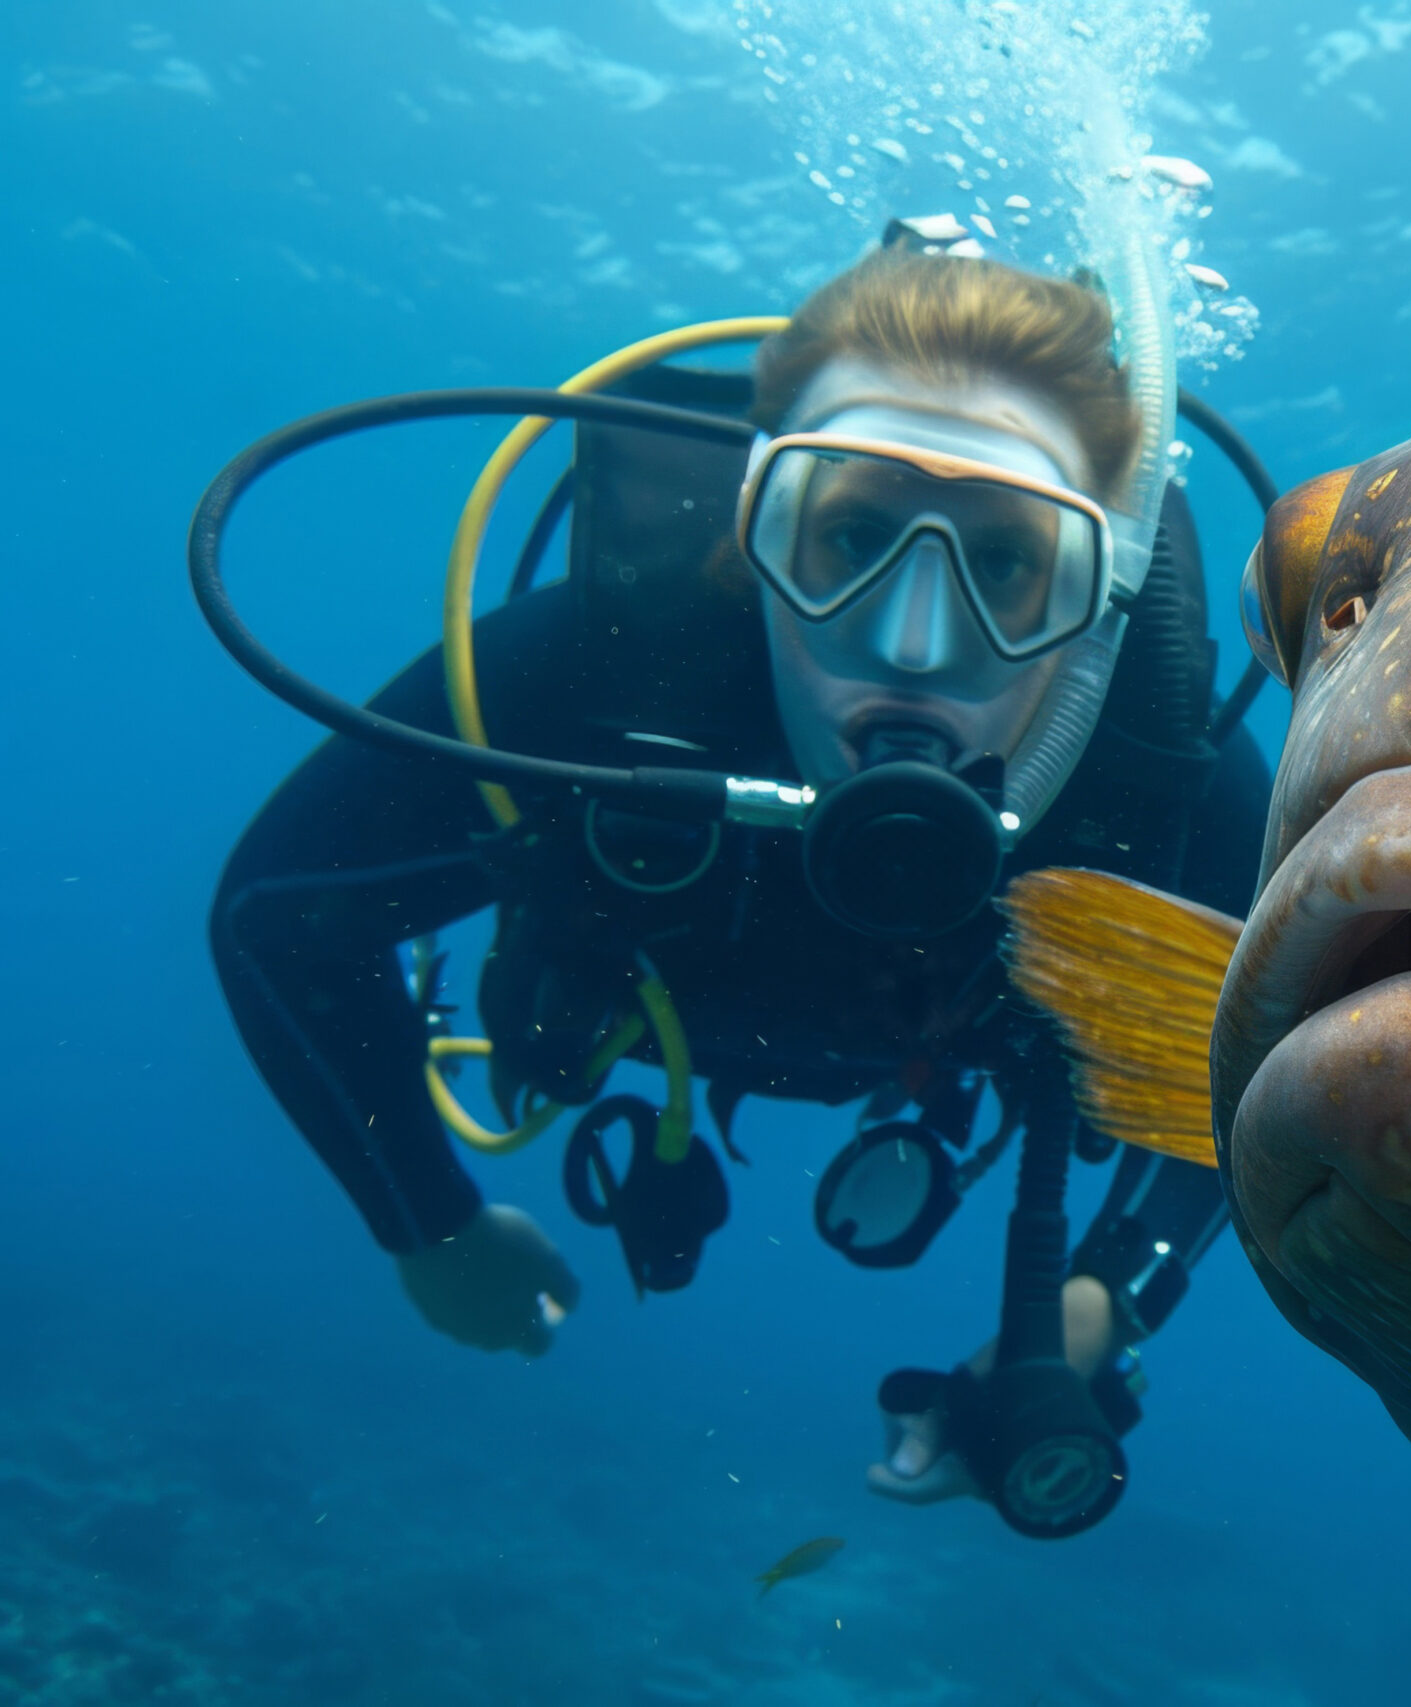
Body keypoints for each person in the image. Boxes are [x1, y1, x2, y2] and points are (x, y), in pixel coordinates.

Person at [207, 227, 1269, 1537]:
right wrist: (426, 1220)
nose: (916, 640)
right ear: (753, 528)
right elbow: (282, 920)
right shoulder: (588, 682)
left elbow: (1266, 1061)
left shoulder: (1157, 784)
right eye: (850, 535)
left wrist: (1102, 1299)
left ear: (1096, 590)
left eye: (1005, 563)